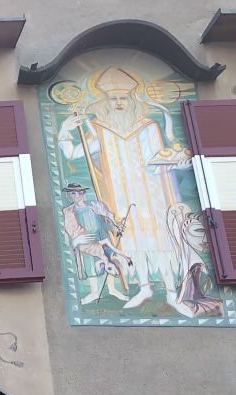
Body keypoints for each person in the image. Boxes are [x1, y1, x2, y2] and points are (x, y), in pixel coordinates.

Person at [56, 66, 204, 316]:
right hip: (121, 196)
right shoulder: (101, 130)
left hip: (153, 194)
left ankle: (171, 292)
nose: (118, 103)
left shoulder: (148, 127)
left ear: (132, 99)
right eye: (113, 98)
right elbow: (71, 153)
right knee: (132, 240)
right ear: (105, 101)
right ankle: (144, 288)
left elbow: (158, 159)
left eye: (123, 98)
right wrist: (65, 130)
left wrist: (176, 163)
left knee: (160, 240)